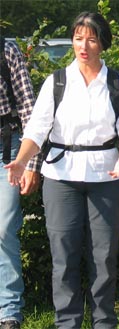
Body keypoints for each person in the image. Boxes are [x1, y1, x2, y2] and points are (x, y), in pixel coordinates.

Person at [5, 12, 119, 328]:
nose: (84, 45)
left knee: (104, 257)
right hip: (61, 178)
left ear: (102, 43)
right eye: (79, 38)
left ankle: (103, 322)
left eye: (91, 39)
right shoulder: (57, 81)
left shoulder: (118, 83)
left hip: (105, 176)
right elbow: (37, 129)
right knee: (64, 257)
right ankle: (67, 322)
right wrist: (22, 159)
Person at [0, 36, 41, 329]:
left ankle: (9, 310)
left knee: (4, 227)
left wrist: (31, 164)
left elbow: (29, 108)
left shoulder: (7, 49)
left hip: (9, 146)